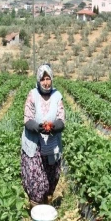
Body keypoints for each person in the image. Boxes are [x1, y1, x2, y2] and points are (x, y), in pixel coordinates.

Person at [21, 64, 65, 206]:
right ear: (38, 80)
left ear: (52, 79)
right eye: (43, 79)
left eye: (48, 79)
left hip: (52, 145)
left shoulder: (57, 96)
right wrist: (38, 128)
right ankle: (36, 210)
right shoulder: (32, 95)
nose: (46, 83)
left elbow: (61, 120)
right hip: (34, 145)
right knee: (35, 181)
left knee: (51, 178)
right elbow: (27, 119)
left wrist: (53, 128)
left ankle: (47, 205)